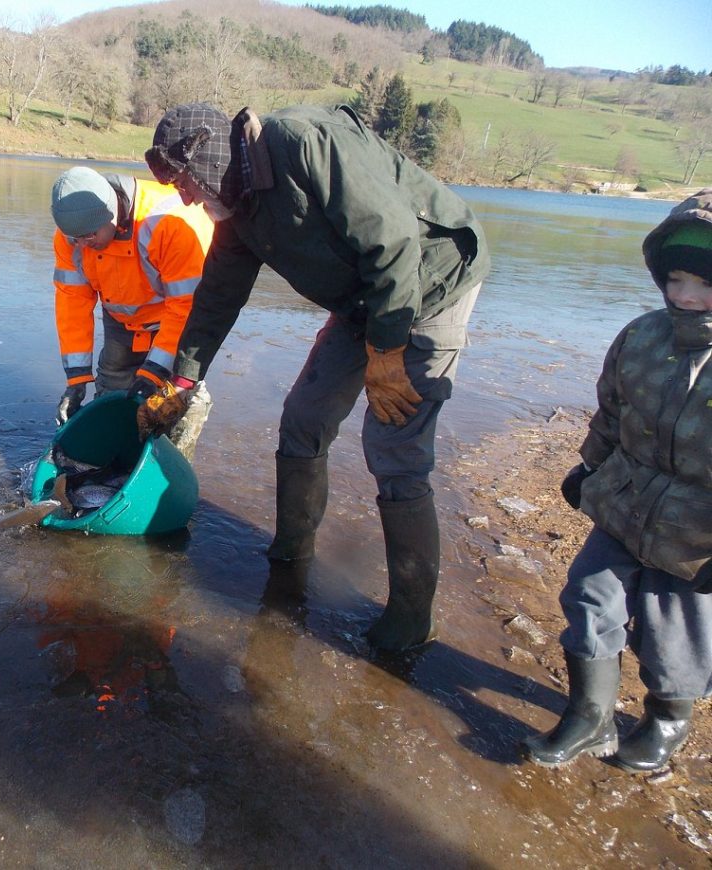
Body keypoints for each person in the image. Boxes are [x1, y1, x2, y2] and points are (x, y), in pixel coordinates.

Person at [137, 102, 490, 653]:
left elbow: (393, 242)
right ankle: (291, 551)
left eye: (184, 183)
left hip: (432, 280)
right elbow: (217, 297)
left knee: (393, 445)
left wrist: (387, 351)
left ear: (207, 159)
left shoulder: (305, 144)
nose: (185, 198)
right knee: (303, 419)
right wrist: (182, 381)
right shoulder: (235, 205)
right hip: (362, 300)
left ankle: (412, 617)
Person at [522, 191, 712, 772]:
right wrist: (588, 469)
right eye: (675, 278)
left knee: (672, 635)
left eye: (705, 284)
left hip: (699, 536)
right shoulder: (641, 335)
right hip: (625, 502)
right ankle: (591, 716)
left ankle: (667, 719)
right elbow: (610, 411)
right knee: (588, 593)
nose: (684, 295)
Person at [49, 166, 214, 434]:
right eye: (74, 238)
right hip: (121, 322)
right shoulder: (72, 235)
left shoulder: (169, 222)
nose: (82, 245)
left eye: (89, 236)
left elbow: (187, 308)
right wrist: (76, 380)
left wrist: (153, 373)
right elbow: (72, 303)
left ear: (113, 215)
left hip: (178, 323)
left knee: (171, 407)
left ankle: (169, 460)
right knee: (111, 402)